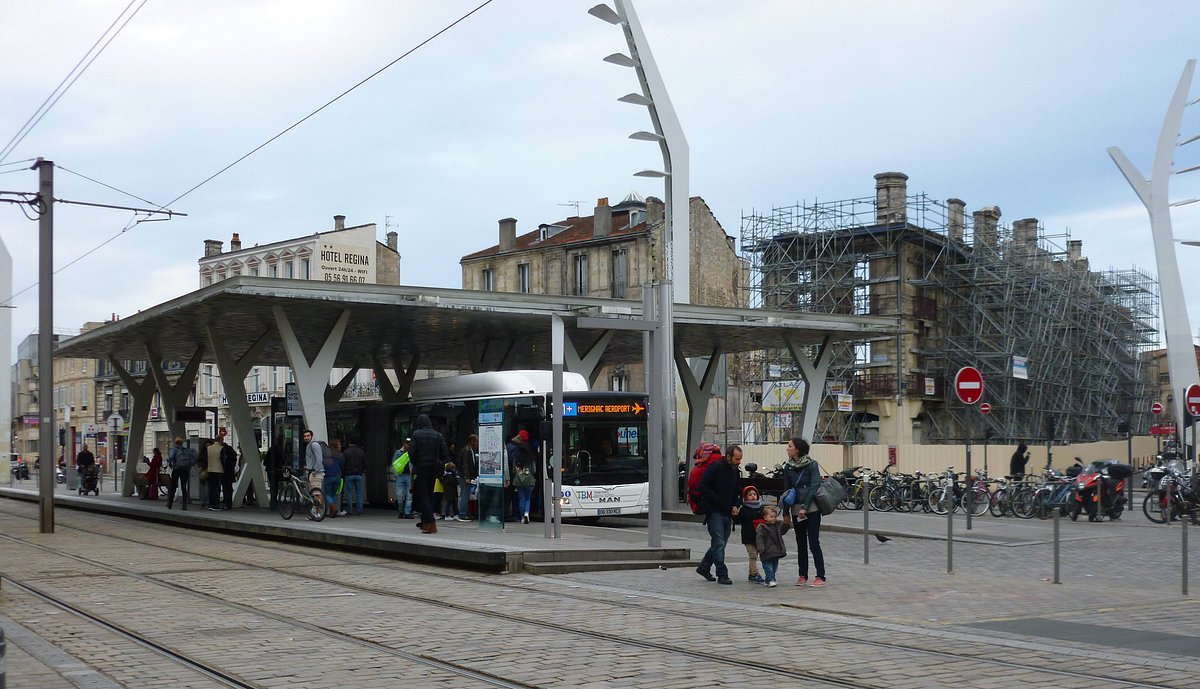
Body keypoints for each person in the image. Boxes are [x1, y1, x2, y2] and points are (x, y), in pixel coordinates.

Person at [781, 437, 826, 588]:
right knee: (800, 543)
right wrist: (785, 512)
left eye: (789, 446)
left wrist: (805, 507)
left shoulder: (812, 464)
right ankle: (802, 574)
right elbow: (786, 491)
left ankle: (821, 576)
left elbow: (814, 485)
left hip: (811, 509)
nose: (787, 448)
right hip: (795, 509)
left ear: (797, 449)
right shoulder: (788, 467)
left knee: (814, 543)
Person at [696, 444, 743, 585]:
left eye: (740, 459)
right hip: (715, 512)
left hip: (727, 512)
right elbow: (702, 486)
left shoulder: (735, 471)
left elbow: (737, 490)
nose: (739, 462)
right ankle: (722, 574)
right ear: (728, 456)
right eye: (737, 459)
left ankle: (704, 567)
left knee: (720, 544)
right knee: (719, 542)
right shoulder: (715, 467)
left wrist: (736, 504)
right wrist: (717, 500)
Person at [409, 413, 450, 534]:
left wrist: (415, 462)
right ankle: (426, 523)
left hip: (421, 468)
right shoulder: (438, 435)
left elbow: (412, 453)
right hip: (434, 469)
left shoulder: (416, 434)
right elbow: (445, 454)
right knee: (430, 495)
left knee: (423, 497)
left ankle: (431, 523)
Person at [735, 485, 766, 584]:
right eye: (750, 495)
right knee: (753, 555)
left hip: (759, 536)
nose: (753, 496)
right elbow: (737, 520)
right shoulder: (744, 509)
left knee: (755, 554)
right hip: (748, 536)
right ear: (745, 497)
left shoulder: (761, 508)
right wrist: (735, 515)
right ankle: (755, 573)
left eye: (754, 494)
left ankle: (751, 574)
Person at [755, 504, 790, 588]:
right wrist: (761, 547)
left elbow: (783, 531)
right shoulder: (762, 528)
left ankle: (769, 579)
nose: (773, 518)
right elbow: (759, 538)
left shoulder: (777, 525)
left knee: (774, 567)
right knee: (768, 567)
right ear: (765, 518)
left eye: (775, 517)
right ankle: (771, 580)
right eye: (771, 517)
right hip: (766, 551)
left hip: (776, 551)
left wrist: (786, 524)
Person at [506, 429, 536, 521]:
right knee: (528, 499)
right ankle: (527, 513)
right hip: (529, 480)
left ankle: (522, 516)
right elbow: (534, 470)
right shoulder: (531, 458)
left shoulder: (516, 458)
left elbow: (514, 471)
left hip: (518, 481)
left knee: (521, 498)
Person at [166, 436, 195, 510]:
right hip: (185, 470)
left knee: (173, 486)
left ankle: (170, 503)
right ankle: (184, 505)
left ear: (176, 443)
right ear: (182, 443)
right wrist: (191, 464)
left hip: (177, 469)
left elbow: (171, 458)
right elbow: (195, 457)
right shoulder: (187, 450)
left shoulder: (175, 450)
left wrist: (169, 463)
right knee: (183, 487)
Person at [302, 429, 326, 520]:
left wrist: (316, 470)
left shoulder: (314, 445)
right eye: (305, 436)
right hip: (312, 471)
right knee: (313, 493)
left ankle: (318, 513)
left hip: (316, 472)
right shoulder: (309, 445)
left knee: (317, 492)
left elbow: (319, 458)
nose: (306, 438)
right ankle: (314, 512)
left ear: (311, 436)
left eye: (308, 436)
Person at [341, 439, 367, 516]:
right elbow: (365, 464)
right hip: (359, 475)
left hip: (349, 475)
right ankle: (360, 510)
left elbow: (343, 464)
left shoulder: (346, 452)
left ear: (349, 443)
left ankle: (350, 510)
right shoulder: (361, 452)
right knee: (359, 493)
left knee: (349, 493)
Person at [457, 434, 478, 521]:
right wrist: (467, 477)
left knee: (467, 494)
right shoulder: (466, 451)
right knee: (465, 495)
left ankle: (465, 512)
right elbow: (465, 465)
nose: (477, 443)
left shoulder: (472, 450)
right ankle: (462, 513)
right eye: (476, 441)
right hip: (464, 476)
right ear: (471, 441)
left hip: (469, 476)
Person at [391, 438, 413, 518]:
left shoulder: (412, 453)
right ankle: (401, 510)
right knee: (399, 495)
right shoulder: (398, 453)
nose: (408, 445)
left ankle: (407, 513)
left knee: (409, 495)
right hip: (400, 476)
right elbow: (393, 464)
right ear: (404, 444)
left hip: (409, 476)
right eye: (407, 443)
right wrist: (395, 475)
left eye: (409, 444)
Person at [264, 430, 286, 511]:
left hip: (271, 469)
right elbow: (281, 459)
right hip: (274, 469)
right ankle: (274, 500)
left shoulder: (273, 448)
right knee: (274, 486)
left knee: (273, 485)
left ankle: (274, 500)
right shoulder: (277, 448)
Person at [324, 439, 346, 517]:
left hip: (328, 476)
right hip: (338, 476)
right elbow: (342, 466)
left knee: (327, 494)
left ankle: (333, 507)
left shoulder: (327, 454)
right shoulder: (340, 455)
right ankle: (332, 512)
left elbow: (324, 464)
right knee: (333, 493)